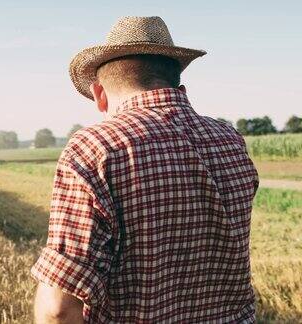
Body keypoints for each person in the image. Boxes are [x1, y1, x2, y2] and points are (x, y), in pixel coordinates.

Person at [31, 16, 258, 323]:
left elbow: (58, 309)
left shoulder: (95, 148)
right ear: (176, 79)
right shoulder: (230, 140)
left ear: (99, 94)